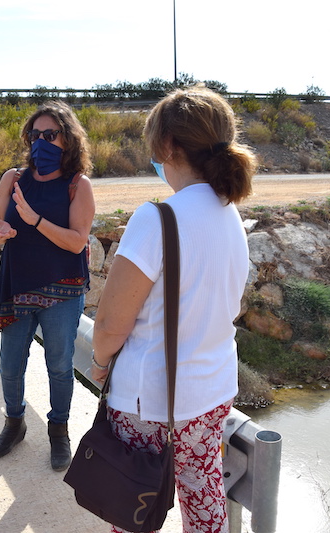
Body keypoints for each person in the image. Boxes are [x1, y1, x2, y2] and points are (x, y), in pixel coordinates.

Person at [91, 86, 256, 532]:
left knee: (133, 507)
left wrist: (101, 363)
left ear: (168, 145)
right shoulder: (230, 215)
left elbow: (109, 324)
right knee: (203, 496)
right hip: (212, 393)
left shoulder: (157, 219)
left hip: (150, 402)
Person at [0, 100, 95, 471]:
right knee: (9, 364)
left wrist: (34, 220)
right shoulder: (13, 179)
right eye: (35, 135)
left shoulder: (77, 185)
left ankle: (59, 431)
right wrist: (0, 233)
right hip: (17, 284)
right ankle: (14, 423)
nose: (41, 142)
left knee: (60, 366)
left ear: (67, 139)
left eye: (50, 135)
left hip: (62, 288)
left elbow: (77, 242)